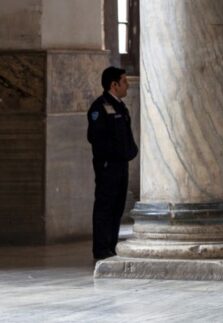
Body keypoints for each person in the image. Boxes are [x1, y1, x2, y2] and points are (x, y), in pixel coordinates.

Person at [87, 66, 138, 260]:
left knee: (117, 207)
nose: (127, 85)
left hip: (121, 164)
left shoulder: (119, 106)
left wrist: (130, 152)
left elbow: (125, 134)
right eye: (124, 81)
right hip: (108, 165)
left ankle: (111, 245)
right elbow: (96, 137)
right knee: (105, 206)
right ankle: (101, 248)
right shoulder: (99, 107)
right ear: (114, 85)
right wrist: (113, 155)